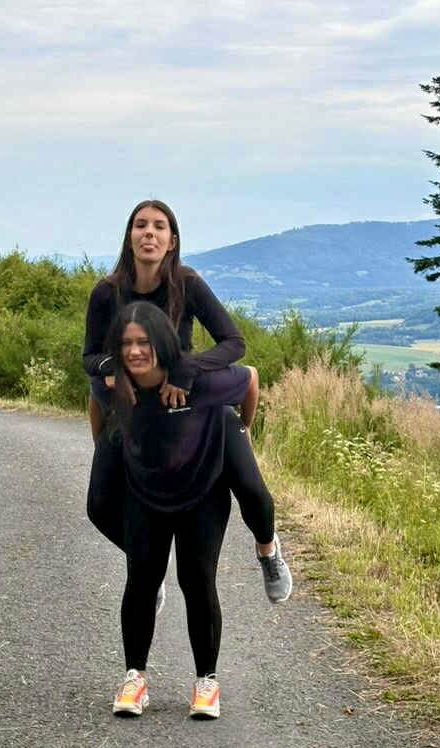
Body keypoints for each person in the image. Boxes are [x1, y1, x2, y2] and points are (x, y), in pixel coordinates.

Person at [84, 200, 291, 610]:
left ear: (172, 241)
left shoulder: (187, 283)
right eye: (141, 225)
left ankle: (268, 550)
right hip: (133, 406)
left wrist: (186, 369)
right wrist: (113, 367)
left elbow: (234, 343)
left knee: (254, 493)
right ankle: (147, 564)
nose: (149, 232)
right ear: (129, 236)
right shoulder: (107, 292)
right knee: (99, 507)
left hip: (188, 396)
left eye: (159, 226)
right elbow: (90, 356)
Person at [99, 302, 269, 718]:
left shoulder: (202, 382)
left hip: (203, 489)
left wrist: (244, 430)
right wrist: (106, 442)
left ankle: (206, 682)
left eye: (143, 342)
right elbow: (95, 401)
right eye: (126, 343)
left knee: (197, 579)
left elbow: (249, 378)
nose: (134, 351)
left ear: (161, 343)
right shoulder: (114, 386)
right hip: (146, 490)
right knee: (141, 577)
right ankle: (135, 678)